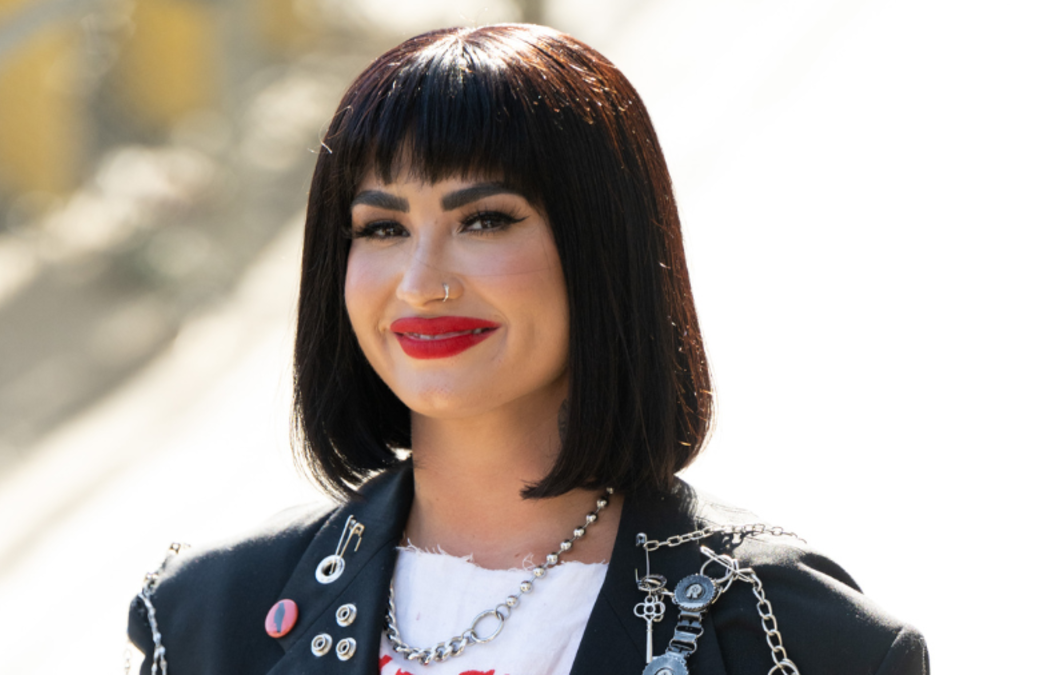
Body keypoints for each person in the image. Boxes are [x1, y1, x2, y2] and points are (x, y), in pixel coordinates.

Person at [128, 24, 927, 675]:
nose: (420, 282)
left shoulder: (791, 637)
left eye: (484, 220)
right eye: (382, 227)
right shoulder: (211, 615)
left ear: (603, 248)